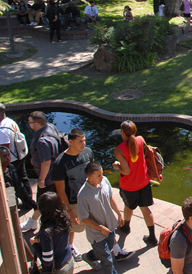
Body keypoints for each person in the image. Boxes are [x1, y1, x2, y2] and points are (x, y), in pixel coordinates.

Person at [52, 129, 94, 263]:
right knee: (72, 228)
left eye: (84, 141)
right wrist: (70, 211)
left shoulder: (88, 152)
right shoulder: (60, 163)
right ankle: (69, 247)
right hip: (73, 202)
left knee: (95, 222)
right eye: (80, 142)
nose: (83, 144)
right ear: (70, 142)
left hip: (90, 196)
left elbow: (93, 171)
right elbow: (61, 191)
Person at [113, 120, 158, 246]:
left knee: (128, 206)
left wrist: (117, 166)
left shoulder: (119, 149)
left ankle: (126, 227)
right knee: (145, 209)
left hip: (129, 186)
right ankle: (153, 238)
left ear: (122, 132)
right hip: (144, 182)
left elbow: (126, 171)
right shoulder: (140, 139)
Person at [21, 111, 65, 232]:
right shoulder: (50, 126)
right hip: (57, 172)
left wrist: (41, 179)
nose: (28, 124)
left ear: (36, 124)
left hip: (48, 177)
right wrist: (34, 160)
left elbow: (46, 162)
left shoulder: (42, 141)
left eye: (29, 122)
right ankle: (34, 221)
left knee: (42, 200)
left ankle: (34, 222)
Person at [78, 162, 124, 274]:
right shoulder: (83, 195)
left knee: (105, 252)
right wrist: (101, 228)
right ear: (89, 177)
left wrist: (119, 213)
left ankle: (89, 257)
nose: (102, 177)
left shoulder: (104, 181)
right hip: (97, 233)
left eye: (102, 174)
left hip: (110, 226)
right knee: (107, 261)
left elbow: (110, 197)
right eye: (98, 175)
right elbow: (84, 218)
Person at [30, 192, 74, 274]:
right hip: (69, 261)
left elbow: (47, 261)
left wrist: (34, 245)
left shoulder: (46, 233)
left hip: (59, 270)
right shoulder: (65, 217)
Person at [0, 103, 33, 209]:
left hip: (12, 160)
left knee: (15, 183)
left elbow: (4, 151)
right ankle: (28, 202)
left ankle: (23, 202)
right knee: (23, 178)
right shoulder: (9, 121)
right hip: (20, 155)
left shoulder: (2, 130)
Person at [1, 146, 37, 212]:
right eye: (4, 156)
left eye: (8, 155)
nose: (8, 158)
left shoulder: (11, 168)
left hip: (11, 200)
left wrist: (33, 204)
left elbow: (21, 187)